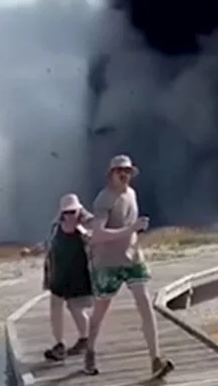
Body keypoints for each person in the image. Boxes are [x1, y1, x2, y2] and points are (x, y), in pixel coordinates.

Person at [82, 155, 174, 378]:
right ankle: (90, 350)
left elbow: (127, 227)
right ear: (111, 174)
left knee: (145, 305)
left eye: (127, 170)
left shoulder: (131, 194)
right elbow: (98, 235)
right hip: (108, 263)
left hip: (132, 258)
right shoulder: (104, 199)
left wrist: (133, 232)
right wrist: (132, 229)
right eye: (119, 171)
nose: (124, 174)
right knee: (100, 312)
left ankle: (155, 358)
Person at [39, 193, 94, 362]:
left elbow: (96, 246)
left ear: (79, 211)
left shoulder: (84, 232)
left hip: (79, 277)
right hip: (59, 275)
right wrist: (33, 250)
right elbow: (47, 244)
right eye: (67, 212)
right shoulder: (56, 229)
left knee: (75, 308)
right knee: (55, 307)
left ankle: (85, 339)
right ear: (62, 213)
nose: (70, 215)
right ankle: (59, 345)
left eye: (73, 211)